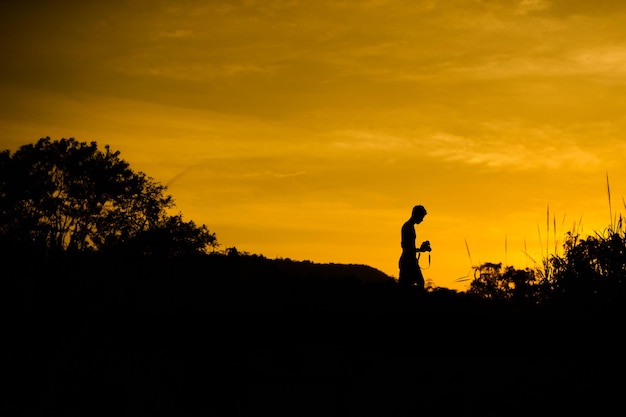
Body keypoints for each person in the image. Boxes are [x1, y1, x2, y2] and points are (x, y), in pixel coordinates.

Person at [398, 205, 431, 290]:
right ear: (416, 215)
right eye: (422, 217)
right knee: (418, 283)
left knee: (406, 285)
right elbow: (407, 248)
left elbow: (408, 247)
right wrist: (421, 249)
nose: (422, 219)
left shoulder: (409, 226)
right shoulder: (408, 227)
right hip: (408, 261)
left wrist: (421, 249)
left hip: (409, 260)